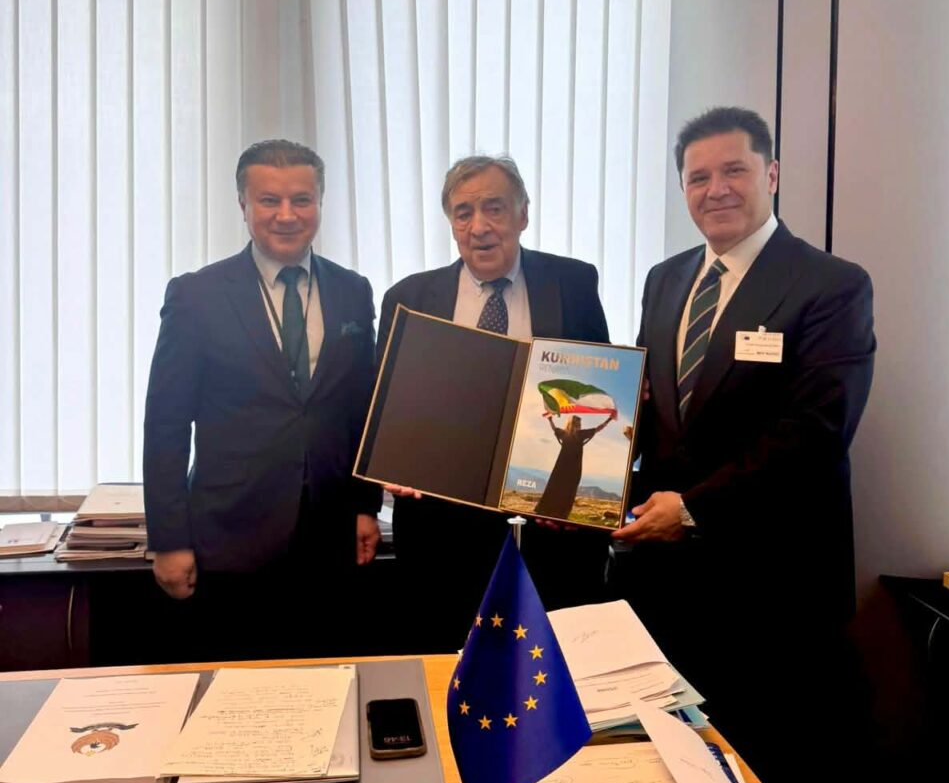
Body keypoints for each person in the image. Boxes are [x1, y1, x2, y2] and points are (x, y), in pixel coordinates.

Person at [612, 105, 875, 783]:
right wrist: (584, 485)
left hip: (775, 577)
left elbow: (816, 431)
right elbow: (652, 413)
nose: (716, 188)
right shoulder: (666, 280)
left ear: (772, 174)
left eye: (734, 170)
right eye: (698, 177)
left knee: (779, 762)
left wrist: (695, 509)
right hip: (673, 579)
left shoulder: (830, 285)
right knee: (683, 759)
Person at [143, 138, 380, 660]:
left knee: (329, 687)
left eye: (302, 199)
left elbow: (362, 408)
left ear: (320, 202)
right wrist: (169, 539)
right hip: (231, 541)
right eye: (269, 200)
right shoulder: (196, 296)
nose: (287, 215)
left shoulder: (353, 291)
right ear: (243, 205)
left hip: (330, 542)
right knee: (238, 693)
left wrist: (367, 506)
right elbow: (165, 424)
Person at [377, 154, 611, 648]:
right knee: (447, 664)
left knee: (551, 669)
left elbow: (596, 387)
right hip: (442, 535)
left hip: (547, 530)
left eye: (495, 208)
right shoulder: (408, 297)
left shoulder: (572, 284)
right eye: (463, 212)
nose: (479, 226)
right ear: (451, 223)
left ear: (523, 213)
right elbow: (387, 408)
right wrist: (392, 459)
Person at [536, 413, 614, 519]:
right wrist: (609, 419)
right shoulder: (580, 434)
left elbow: (554, 429)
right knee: (569, 490)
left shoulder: (564, 434)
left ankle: (546, 510)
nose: (579, 425)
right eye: (579, 423)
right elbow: (597, 429)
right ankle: (561, 513)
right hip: (574, 469)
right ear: (576, 424)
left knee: (555, 486)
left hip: (561, 467)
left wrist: (550, 420)